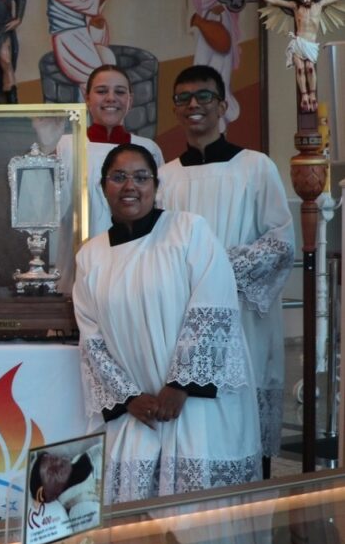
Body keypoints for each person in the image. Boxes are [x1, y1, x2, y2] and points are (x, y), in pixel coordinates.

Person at [73, 143, 262, 504]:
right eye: (119, 177)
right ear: (103, 187)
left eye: (141, 177)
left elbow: (213, 308)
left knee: (198, 524)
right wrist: (128, 397)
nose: (130, 186)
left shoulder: (189, 231)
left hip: (195, 406)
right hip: (136, 413)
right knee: (135, 533)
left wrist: (180, 384)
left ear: (156, 186)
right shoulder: (91, 256)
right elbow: (92, 338)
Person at [157, 65, 294, 475]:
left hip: (242, 316)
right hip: (183, 319)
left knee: (242, 423)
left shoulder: (255, 167)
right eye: (183, 98)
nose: (193, 105)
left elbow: (280, 241)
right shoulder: (165, 175)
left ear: (223, 105)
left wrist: (216, 272)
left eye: (203, 96)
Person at [55, 64, 163, 294]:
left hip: (137, 272)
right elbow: (53, 209)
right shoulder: (66, 145)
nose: (111, 98)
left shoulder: (147, 149)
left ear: (131, 100)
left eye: (120, 92)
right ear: (86, 97)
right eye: (102, 91)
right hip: (79, 268)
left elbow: (159, 210)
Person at [246, 0, 345, 113]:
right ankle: (304, 96)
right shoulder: (295, 7)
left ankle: (312, 95)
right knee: (300, 69)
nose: (305, 0)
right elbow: (275, 0)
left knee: (310, 68)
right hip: (299, 42)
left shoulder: (320, 5)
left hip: (310, 44)